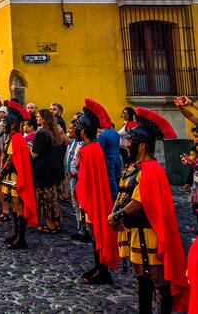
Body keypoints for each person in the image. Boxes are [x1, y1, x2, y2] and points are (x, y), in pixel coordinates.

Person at [109, 107, 188, 314]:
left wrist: (117, 215)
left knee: (155, 277)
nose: (127, 144)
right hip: (136, 231)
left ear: (142, 145)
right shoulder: (135, 166)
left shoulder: (151, 170)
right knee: (141, 277)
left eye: (131, 141)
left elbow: (139, 201)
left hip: (150, 233)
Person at [72, 106, 119, 286]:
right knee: (94, 235)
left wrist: (80, 195)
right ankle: (99, 267)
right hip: (91, 197)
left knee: (96, 233)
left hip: (92, 199)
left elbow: (85, 178)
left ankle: (102, 270)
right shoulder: (92, 148)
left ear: (83, 130)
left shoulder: (89, 150)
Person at [0, 101, 38, 250]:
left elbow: (10, 159)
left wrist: (1, 173)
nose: (3, 125)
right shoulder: (11, 137)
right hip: (10, 176)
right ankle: (16, 234)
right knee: (14, 206)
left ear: (13, 124)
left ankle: (21, 238)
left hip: (16, 176)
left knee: (18, 206)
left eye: (5, 122)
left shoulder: (17, 138)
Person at [31, 108, 66, 234]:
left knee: (46, 199)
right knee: (53, 198)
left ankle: (50, 225)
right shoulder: (54, 132)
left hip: (44, 171)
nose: (36, 118)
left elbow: (35, 154)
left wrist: (29, 148)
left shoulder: (41, 133)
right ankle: (56, 223)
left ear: (44, 119)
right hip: (54, 170)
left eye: (39, 117)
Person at [88, 98, 122, 198]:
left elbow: (99, 148)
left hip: (108, 159)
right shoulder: (115, 132)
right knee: (118, 176)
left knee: (111, 178)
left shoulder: (103, 135)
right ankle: (120, 194)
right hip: (117, 157)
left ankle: (114, 196)